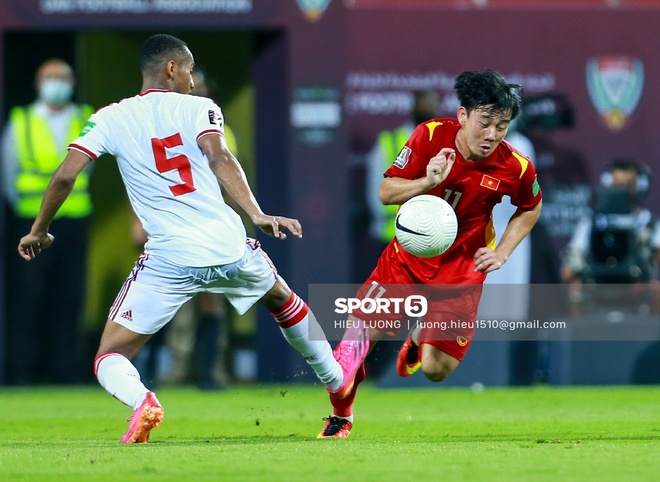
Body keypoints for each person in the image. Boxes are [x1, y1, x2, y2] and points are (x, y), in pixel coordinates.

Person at [17, 34, 368, 443]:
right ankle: (338, 396)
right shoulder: (202, 108)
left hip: (169, 257)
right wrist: (256, 213)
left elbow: (64, 176)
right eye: (187, 68)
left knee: (109, 355)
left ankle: (143, 401)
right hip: (226, 245)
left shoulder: (110, 117)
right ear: (171, 68)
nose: (190, 77)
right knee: (282, 300)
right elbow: (219, 156)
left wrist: (39, 229)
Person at [317, 69, 542, 438]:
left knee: (437, 369)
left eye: (501, 126)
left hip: (462, 274)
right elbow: (386, 192)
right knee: (352, 349)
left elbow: (531, 206)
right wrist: (427, 182)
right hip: (405, 262)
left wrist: (502, 251)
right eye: (485, 122)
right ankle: (342, 417)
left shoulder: (514, 166)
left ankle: (419, 339)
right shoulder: (431, 135)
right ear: (464, 115)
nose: (491, 135)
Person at [132, 66, 239, 390]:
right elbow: (138, 176)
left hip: (208, 225)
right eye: (192, 86)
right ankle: (158, 371)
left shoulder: (222, 130)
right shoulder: (158, 125)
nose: (196, 92)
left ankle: (210, 372)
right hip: (168, 224)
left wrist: (232, 222)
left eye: (201, 87)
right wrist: (136, 221)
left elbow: (232, 181)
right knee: (163, 298)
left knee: (211, 299)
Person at [1, 58, 94, 385]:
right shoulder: (22, 120)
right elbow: (9, 176)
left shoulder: (85, 118)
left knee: (69, 298)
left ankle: (64, 371)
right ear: (38, 83)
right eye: (50, 77)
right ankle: (22, 371)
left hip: (74, 221)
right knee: (28, 297)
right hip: (30, 222)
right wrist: (35, 217)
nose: (58, 82)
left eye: (64, 76)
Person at [560, 159, 660, 312]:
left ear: (640, 187)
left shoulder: (648, 222)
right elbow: (568, 269)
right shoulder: (591, 222)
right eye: (617, 185)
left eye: (628, 185)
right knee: (575, 286)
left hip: (637, 280)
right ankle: (579, 332)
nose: (623, 191)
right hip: (598, 280)